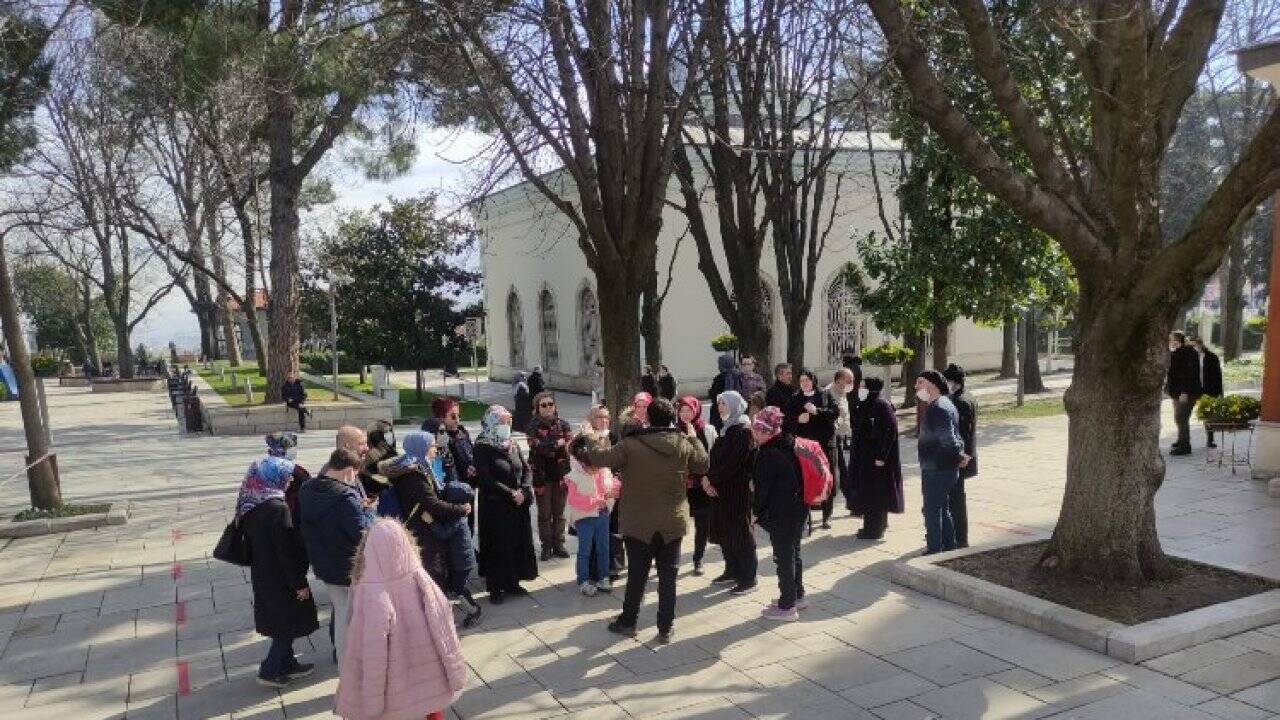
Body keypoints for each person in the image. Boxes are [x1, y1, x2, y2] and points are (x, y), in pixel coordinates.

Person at [589, 398, 710, 645]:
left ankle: (628, 621)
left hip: (638, 522)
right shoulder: (682, 444)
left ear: (647, 419)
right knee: (668, 577)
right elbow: (703, 464)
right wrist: (692, 435)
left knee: (637, 575)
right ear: (672, 419)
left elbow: (599, 459)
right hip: (672, 522)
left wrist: (590, 437)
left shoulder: (630, 445)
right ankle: (665, 627)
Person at [335, 519, 466, 720]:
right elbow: (443, 622)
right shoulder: (420, 576)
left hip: (394, 680)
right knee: (431, 706)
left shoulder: (369, 590)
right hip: (429, 665)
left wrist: (372, 702)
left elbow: (373, 650)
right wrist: (454, 671)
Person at [380, 433, 481, 626]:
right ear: (422, 447)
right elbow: (433, 504)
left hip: (422, 527)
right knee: (434, 575)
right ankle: (437, 622)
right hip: (423, 531)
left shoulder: (415, 468)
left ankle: (434, 618)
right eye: (432, 446)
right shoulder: (414, 475)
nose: (435, 449)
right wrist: (462, 509)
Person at [235, 453, 319, 687]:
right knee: (287, 622)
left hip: (263, 571)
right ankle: (270, 669)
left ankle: (288, 663)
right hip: (281, 576)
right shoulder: (277, 509)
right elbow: (286, 551)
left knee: (281, 620)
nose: (289, 481)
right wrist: (299, 583)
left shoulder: (252, 502)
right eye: (286, 477)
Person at [297, 447, 373, 669]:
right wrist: (366, 513)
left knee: (341, 616)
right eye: (355, 474)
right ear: (349, 470)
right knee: (359, 618)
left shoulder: (307, 488)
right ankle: (360, 666)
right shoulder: (345, 496)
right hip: (351, 565)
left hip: (325, 565)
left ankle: (344, 666)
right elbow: (361, 533)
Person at [473, 406, 538, 603]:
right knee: (498, 546)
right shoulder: (482, 445)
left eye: (508, 422)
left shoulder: (512, 443)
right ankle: (495, 587)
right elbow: (486, 478)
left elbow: (526, 469)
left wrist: (525, 490)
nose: (506, 426)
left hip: (517, 505)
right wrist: (511, 493)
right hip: (496, 505)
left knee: (516, 542)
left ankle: (513, 582)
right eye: (501, 422)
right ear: (491, 422)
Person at [751, 406, 808, 622]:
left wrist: (755, 514)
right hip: (799, 506)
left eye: (759, 429)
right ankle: (797, 594)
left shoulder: (767, 454)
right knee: (794, 551)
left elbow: (762, 491)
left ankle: (787, 606)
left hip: (782, 511)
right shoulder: (790, 442)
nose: (755, 433)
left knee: (783, 556)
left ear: (768, 430)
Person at [705, 391, 757, 593]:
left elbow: (734, 463)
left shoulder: (743, 430)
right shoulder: (727, 428)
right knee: (726, 532)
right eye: (719, 404)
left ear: (735, 405)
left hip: (737, 491)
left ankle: (748, 577)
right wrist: (708, 479)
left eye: (724, 404)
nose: (720, 408)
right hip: (721, 490)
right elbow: (716, 459)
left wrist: (711, 478)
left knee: (740, 532)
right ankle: (732, 569)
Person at [916, 370, 967, 554]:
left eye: (920, 382)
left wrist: (959, 457)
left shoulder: (939, 408)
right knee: (942, 508)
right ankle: (949, 545)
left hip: (937, 468)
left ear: (932, 384)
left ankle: (934, 549)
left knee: (931, 510)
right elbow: (955, 437)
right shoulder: (945, 403)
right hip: (941, 467)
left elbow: (949, 440)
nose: (916, 387)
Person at [565, 432, 620, 596]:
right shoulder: (573, 477)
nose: (595, 469)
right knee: (585, 550)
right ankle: (583, 580)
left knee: (604, 547)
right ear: (582, 462)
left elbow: (613, 483)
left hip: (603, 515)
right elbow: (575, 500)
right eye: (592, 466)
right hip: (584, 518)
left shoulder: (604, 471)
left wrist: (615, 489)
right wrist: (597, 500)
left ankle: (603, 577)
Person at [784, 369, 838, 530]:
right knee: (805, 479)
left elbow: (835, 413)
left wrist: (818, 411)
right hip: (804, 445)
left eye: (807, 380)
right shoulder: (795, 398)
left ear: (813, 380)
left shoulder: (824, 395)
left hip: (824, 442)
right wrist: (797, 420)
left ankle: (826, 515)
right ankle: (805, 516)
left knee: (827, 476)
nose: (804, 383)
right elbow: (786, 420)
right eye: (801, 381)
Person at [851, 377, 903, 539]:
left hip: (876, 460)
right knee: (869, 494)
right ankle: (872, 525)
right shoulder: (868, 403)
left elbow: (890, 431)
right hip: (866, 458)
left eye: (863, 387)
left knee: (876, 495)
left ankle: (874, 529)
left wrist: (882, 456)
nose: (860, 389)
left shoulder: (881, 405)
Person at [527, 391, 573, 561]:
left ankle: (559, 543)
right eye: (543, 405)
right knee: (544, 514)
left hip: (561, 476)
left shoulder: (564, 425)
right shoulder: (532, 426)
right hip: (542, 477)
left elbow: (570, 447)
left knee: (559, 513)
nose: (548, 408)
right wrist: (557, 444)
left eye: (550, 404)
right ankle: (546, 545)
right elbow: (538, 448)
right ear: (537, 408)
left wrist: (555, 445)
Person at [582, 404, 625, 579]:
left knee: (613, 531)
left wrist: (616, 484)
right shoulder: (583, 438)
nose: (604, 420)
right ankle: (594, 570)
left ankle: (613, 567)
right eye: (599, 416)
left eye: (606, 417)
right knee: (594, 534)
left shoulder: (615, 437)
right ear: (591, 419)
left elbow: (623, 462)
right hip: (592, 493)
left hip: (613, 491)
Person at [423, 398, 478, 534]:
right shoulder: (439, 438)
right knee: (455, 528)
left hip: (467, 486)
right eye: (453, 416)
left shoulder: (462, 432)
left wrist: (472, 466)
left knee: (468, 525)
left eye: (459, 415)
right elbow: (440, 467)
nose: (457, 419)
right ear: (441, 417)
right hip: (451, 492)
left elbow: (470, 453)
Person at [676, 395, 717, 575]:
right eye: (682, 410)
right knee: (677, 525)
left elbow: (712, 456)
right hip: (680, 486)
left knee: (702, 524)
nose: (685, 414)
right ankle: (672, 559)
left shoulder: (707, 430)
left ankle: (698, 558)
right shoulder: (673, 430)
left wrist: (710, 478)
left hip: (702, 484)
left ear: (696, 411)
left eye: (689, 411)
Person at [942, 364, 977, 548]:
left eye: (946, 380)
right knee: (952, 497)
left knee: (956, 499)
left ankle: (960, 537)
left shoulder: (961, 402)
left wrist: (961, 456)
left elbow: (963, 434)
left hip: (959, 459)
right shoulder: (960, 397)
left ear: (954, 382)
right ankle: (952, 533)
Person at [1167, 331, 1203, 456]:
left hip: (1187, 391)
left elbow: (1190, 375)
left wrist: (1185, 392)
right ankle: (1181, 440)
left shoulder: (1189, 353)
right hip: (1177, 391)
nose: (1171, 342)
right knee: (1179, 417)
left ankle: (1185, 446)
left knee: (1181, 417)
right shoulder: (1176, 353)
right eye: (1170, 340)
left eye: (1173, 340)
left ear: (1179, 340)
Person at [831, 366, 859, 516]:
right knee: (842, 470)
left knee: (841, 469)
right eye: (849, 380)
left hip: (840, 435)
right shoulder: (830, 393)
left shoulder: (842, 392)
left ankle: (852, 503)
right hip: (832, 436)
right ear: (840, 380)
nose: (852, 383)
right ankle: (852, 503)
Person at [1190, 336, 1224, 449]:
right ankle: (1184, 440)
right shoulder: (1189, 358)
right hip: (1193, 389)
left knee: (1208, 414)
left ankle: (1210, 439)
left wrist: (1220, 392)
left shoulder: (1211, 357)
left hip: (1209, 390)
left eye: (1195, 345)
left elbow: (1218, 376)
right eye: (1191, 346)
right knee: (1184, 415)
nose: (1194, 348)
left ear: (1201, 344)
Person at [707, 354, 745, 433]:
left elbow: (714, 395)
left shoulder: (719, 378)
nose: (718, 367)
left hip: (720, 412)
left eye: (719, 364)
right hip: (736, 410)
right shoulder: (738, 376)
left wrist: (709, 391)